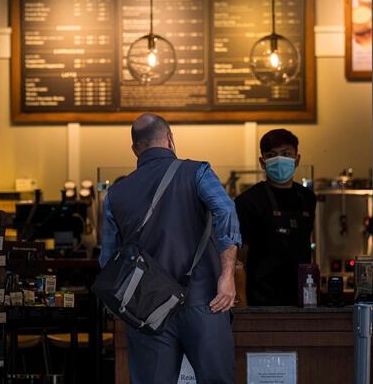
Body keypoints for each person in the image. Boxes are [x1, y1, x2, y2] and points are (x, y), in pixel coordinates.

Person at [100, 113, 242, 384]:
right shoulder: (197, 172)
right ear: (170, 140)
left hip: (145, 311)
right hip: (205, 301)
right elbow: (226, 210)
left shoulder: (115, 195)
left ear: (135, 149)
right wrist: (227, 275)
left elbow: (108, 260)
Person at [235, 129, 316, 306]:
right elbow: (239, 259)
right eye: (271, 155)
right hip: (260, 299)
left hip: (303, 297)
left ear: (297, 159)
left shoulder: (308, 198)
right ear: (262, 162)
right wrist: (243, 305)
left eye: (286, 154)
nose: (279, 160)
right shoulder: (248, 201)